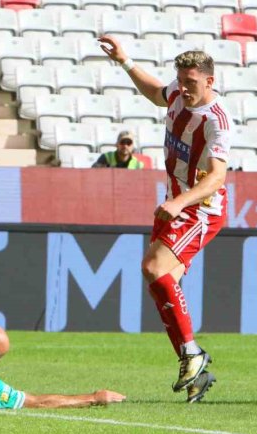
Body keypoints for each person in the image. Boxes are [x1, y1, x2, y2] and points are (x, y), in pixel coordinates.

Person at [98, 36, 230, 404]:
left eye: (192, 83)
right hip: (176, 202)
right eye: (181, 81)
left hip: (200, 208)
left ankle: (192, 355)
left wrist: (180, 202)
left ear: (209, 81)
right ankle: (193, 372)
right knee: (160, 281)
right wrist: (126, 62)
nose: (184, 89)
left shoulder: (216, 120)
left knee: (155, 267)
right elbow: (156, 92)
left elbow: (218, 177)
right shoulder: (176, 93)